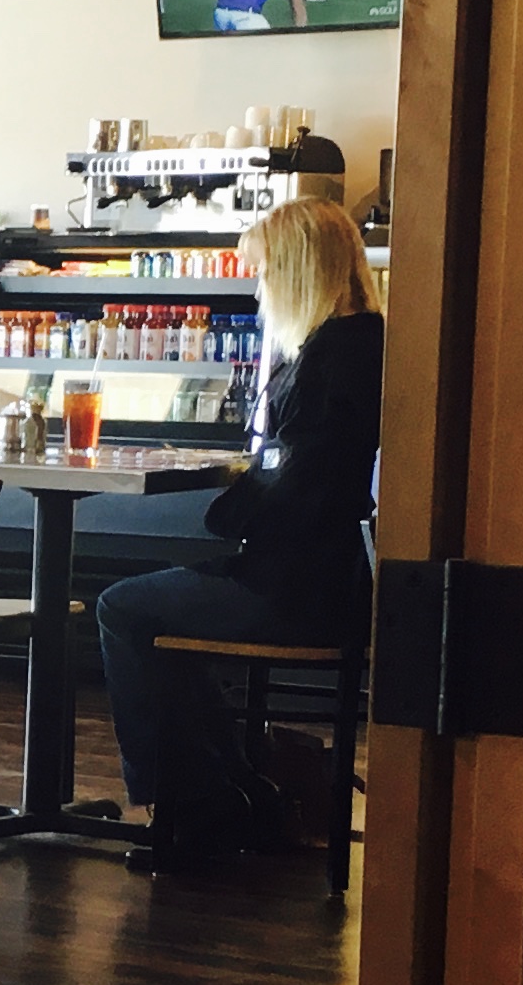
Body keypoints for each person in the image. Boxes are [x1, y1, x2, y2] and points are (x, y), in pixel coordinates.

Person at [89, 198, 382, 866]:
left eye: (264, 272)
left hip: (296, 590)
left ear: (297, 272)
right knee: (167, 623)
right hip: (339, 581)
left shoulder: (330, 360)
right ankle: (227, 794)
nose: (258, 290)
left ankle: (193, 806)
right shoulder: (367, 344)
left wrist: (229, 510)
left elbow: (299, 489)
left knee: (123, 609)